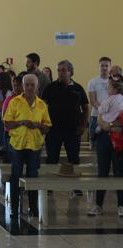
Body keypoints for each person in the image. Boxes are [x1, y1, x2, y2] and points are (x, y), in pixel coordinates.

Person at [3, 74, 52, 217]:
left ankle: (33, 208)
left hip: (34, 145)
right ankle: (14, 208)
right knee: (15, 175)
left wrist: (37, 125)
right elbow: (6, 123)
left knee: (32, 176)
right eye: (27, 85)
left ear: (37, 87)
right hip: (17, 144)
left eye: (32, 85)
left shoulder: (42, 104)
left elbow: (47, 127)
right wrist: (21, 122)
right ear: (23, 86)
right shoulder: (14, 102)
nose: (30, 87)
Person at [42, 60, 89, 197]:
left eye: (63, 70)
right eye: (59, 70)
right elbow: (42, 106)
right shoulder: (51, 87)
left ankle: (75, 187)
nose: (61, 73)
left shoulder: (78, 88)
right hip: (54, 129)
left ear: (70, 72)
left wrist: (83, 125)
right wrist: (44, 124)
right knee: (52, 157)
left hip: (72, 130)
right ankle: (49, 187)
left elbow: (85, 108)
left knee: (73, 158)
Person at [88, 75, 123, 216]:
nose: (107, 88)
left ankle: (121, 205)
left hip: (118, 138)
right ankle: (98, 204)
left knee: (119, 172)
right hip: (104, 138)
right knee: (102, 171)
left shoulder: (114, 100)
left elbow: (103, 114)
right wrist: (105, 125)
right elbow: (101, 118)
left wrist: (107, 124)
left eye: (109, 86)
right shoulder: (110, 99)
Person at [2, 72, 26, 163]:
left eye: (18, 85)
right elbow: (4, 117)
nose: (16, 88)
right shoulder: (9, 99)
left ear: (23, 86)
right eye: (14, 85)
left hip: (23, 132)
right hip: (10, 132)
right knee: (11, 156)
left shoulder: (27, 99)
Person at [87, 57, 111, 146]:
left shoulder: (114, 82)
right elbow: (93, 101)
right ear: (99, 67)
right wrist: (104, 110)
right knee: (94, 145)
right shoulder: (92, 82)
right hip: (96, 117)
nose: (104, 68)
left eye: (106, 66)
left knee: (109, 145)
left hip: (111, 118)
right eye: (102, 66)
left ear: (109, 67)